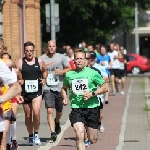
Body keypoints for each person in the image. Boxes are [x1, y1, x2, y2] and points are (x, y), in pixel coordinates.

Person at [61, 50, 108, 150]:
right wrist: (64, 98)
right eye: (77, 59)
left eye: (81, 59)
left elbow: (105, 87)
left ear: (85, 61)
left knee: (92, 139)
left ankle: (89, 127)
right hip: (77, 108)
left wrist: (92, 93)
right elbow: (64, 88)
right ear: (73, 61)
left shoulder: (93, 73)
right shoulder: (69, 75)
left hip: (92, 108)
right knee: (79, 134)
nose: (79, 61)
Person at [16, 41, 48, 146]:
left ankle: (36, 134)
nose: (29, 53)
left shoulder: (39, 61)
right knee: (28, 115)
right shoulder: (20, 62)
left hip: (37, 92)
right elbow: (16, 74)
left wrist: (44, 79)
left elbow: (44, 71)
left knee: (36, 112)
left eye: (31, 51)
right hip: (25, 92)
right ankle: (30, 135)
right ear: (24, 52)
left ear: (34, 51)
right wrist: (19, 80)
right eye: (27, 51)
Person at [40, 40, 71, 142]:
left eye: (53, 46)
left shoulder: (61, 57)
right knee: (49, 110)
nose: (51, 48)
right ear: (47, 47)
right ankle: (53, 132)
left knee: (59, 110)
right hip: (47, 87)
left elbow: (70, 68)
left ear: (56, 47)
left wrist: (61, 71)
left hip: (59, 87)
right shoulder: (41, 59)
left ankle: (57, 122)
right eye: (50, 46)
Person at [0, 59, 23, 150]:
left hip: (5, 106)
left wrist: (1, 99)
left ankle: (12, 140)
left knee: (2, 139)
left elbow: (16, 87)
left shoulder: (2, 65)